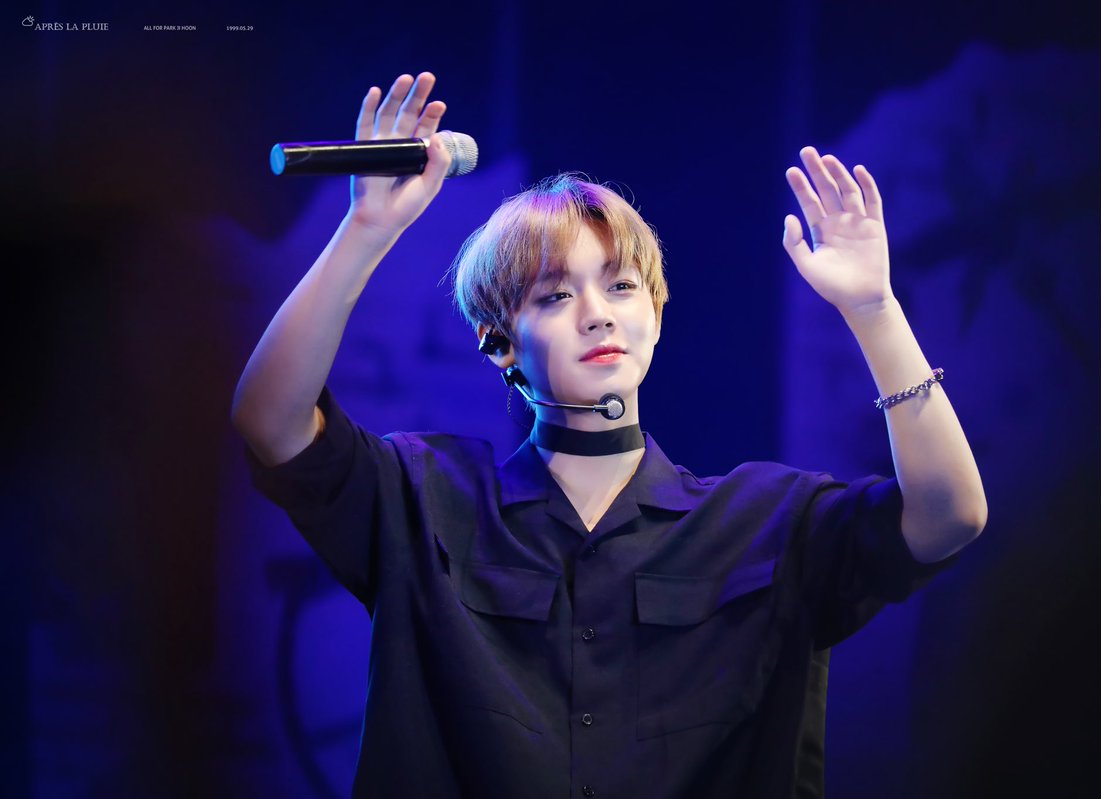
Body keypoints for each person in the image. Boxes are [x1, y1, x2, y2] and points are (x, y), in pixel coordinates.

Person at [232, 71, 987, 798]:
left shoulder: (768, 521)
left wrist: (875, 310)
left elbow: (951, 515)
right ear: (500, 343)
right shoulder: (424, 497)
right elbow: (270, 420)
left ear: (655, 315)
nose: (598, 314)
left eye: (621, 286)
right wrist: (365, 231)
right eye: (556, 295)